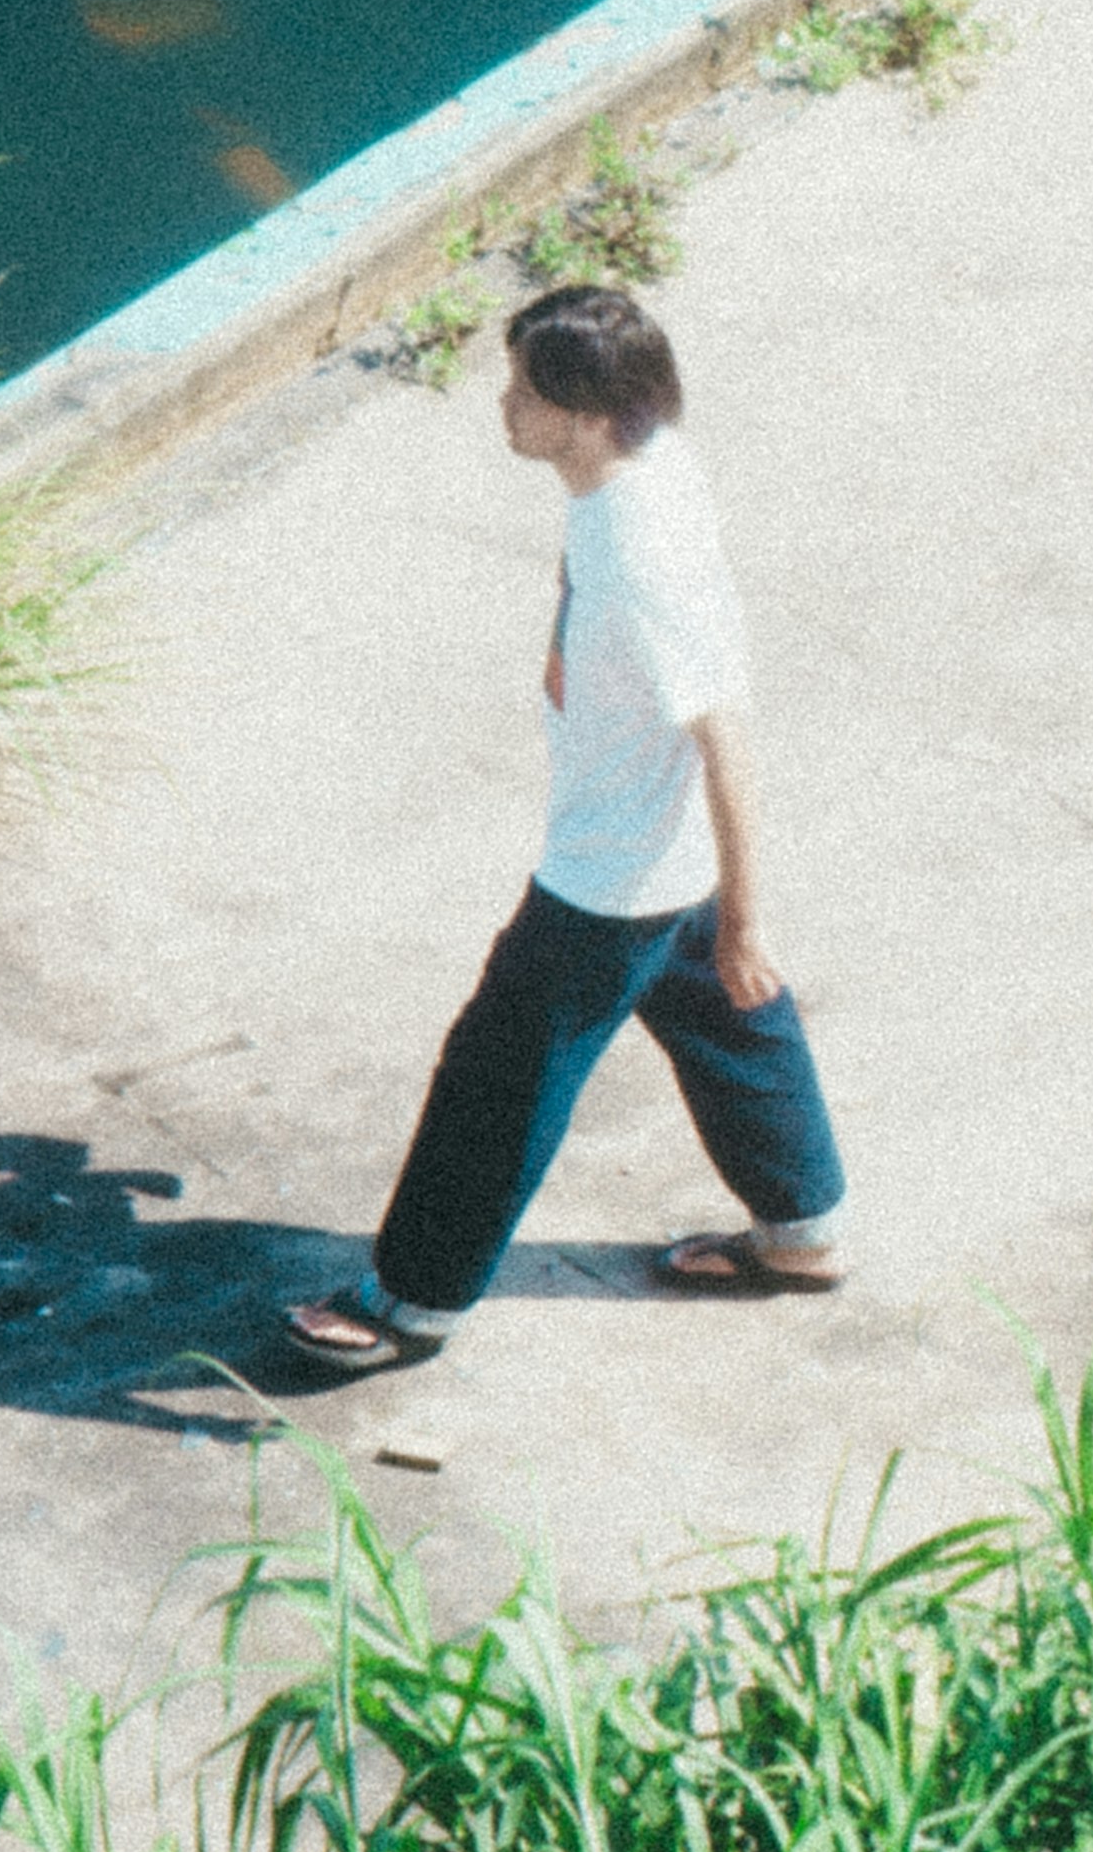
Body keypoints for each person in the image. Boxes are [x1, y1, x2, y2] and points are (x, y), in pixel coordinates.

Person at [280, 276, 847, 1376]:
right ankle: (804, 1233)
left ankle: (408, 1302)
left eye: (525, 391)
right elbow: (585, 555)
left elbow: (727, 738)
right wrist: (562, 639)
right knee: (737, 1031)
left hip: (613, 876)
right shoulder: (649, 466)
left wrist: (745, 918)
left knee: (496, 1078)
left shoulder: (645, 559)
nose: (504, 405)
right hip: (661, 853)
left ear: (588, 414)